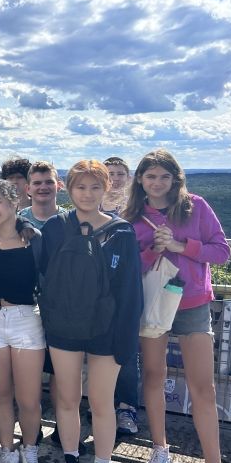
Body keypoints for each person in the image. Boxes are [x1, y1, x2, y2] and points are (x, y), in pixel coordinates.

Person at [125, 149, 231, 463]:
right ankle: (159, 452)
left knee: (203, 385)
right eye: (150, 176)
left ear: (175, 179)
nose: (156, 183)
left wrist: (182, 245)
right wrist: (153, 249)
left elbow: (223, 252)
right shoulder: (133, 216)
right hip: (153, 305)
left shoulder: (196, 207)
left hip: (193, 303)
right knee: (154, 376)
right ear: (140, 180)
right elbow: (127, 267)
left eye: (163, 176)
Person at [40, 160, 142, 463]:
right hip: (64, 326)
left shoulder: (122, 232)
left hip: (106, 329)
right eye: (81, 187)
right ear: (69, 189)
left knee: (101, 402)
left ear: (106, 189)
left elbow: (131, 290)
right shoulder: (54, 227)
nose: (88, 194)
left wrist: (127, 339)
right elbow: (42, 276)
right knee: (66, 399)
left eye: (95, 187)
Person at [0, 180, 45, 463]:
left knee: (29, 398)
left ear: (14, 202)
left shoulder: (34, 239)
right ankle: (7, 452)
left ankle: (29, 450)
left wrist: (26, 224)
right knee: (1, 395)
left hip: (26, 320)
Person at [15, 161, 73, 443]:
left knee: (61, 372)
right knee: (30, 372)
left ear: (58, 186)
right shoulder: (15, 220)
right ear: (28, 189)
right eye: (37, 183)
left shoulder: (70, 221)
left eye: (48, 182)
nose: (43, 188)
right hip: (25, 305)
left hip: (61, 306)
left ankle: (63, 431)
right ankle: (32, 430)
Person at [101, 155, 140, 436]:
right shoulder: (91, 207)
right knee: (98, 353)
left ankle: (126, 408)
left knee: (126, 352)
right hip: (97, 294)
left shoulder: (136, 211)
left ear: (129, 178)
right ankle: (101, 405)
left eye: (119, 174)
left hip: (127, 289)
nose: (114, 179)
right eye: (109, 173)